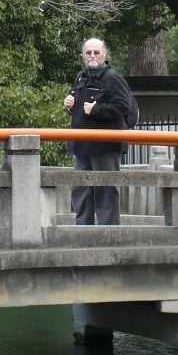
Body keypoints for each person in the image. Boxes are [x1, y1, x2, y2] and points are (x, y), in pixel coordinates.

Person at [63, 37, 131, 225]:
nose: (92, 56)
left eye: (96, 52)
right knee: (81, 191)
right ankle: (83, 232)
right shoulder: (81, 77)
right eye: (88, 52)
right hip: (81, 145)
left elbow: (124, 107)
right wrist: (69, 104)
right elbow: (78, 105)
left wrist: (96, 110)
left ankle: (107, 235)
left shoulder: (113, 78)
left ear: (104, 54)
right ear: (83, 55)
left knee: (105, 190)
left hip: (105, 146)